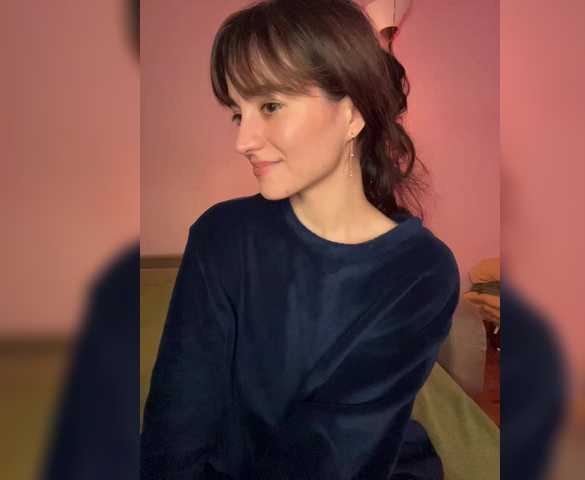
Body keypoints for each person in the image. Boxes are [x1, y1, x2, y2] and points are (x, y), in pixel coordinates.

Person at [140, 1, 460, 478]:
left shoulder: (421, 271)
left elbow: (333, 452)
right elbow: (174, 430)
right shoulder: (221, 237)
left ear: (352, 114)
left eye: (270, 106)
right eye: (237, 113)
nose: (243, 141)